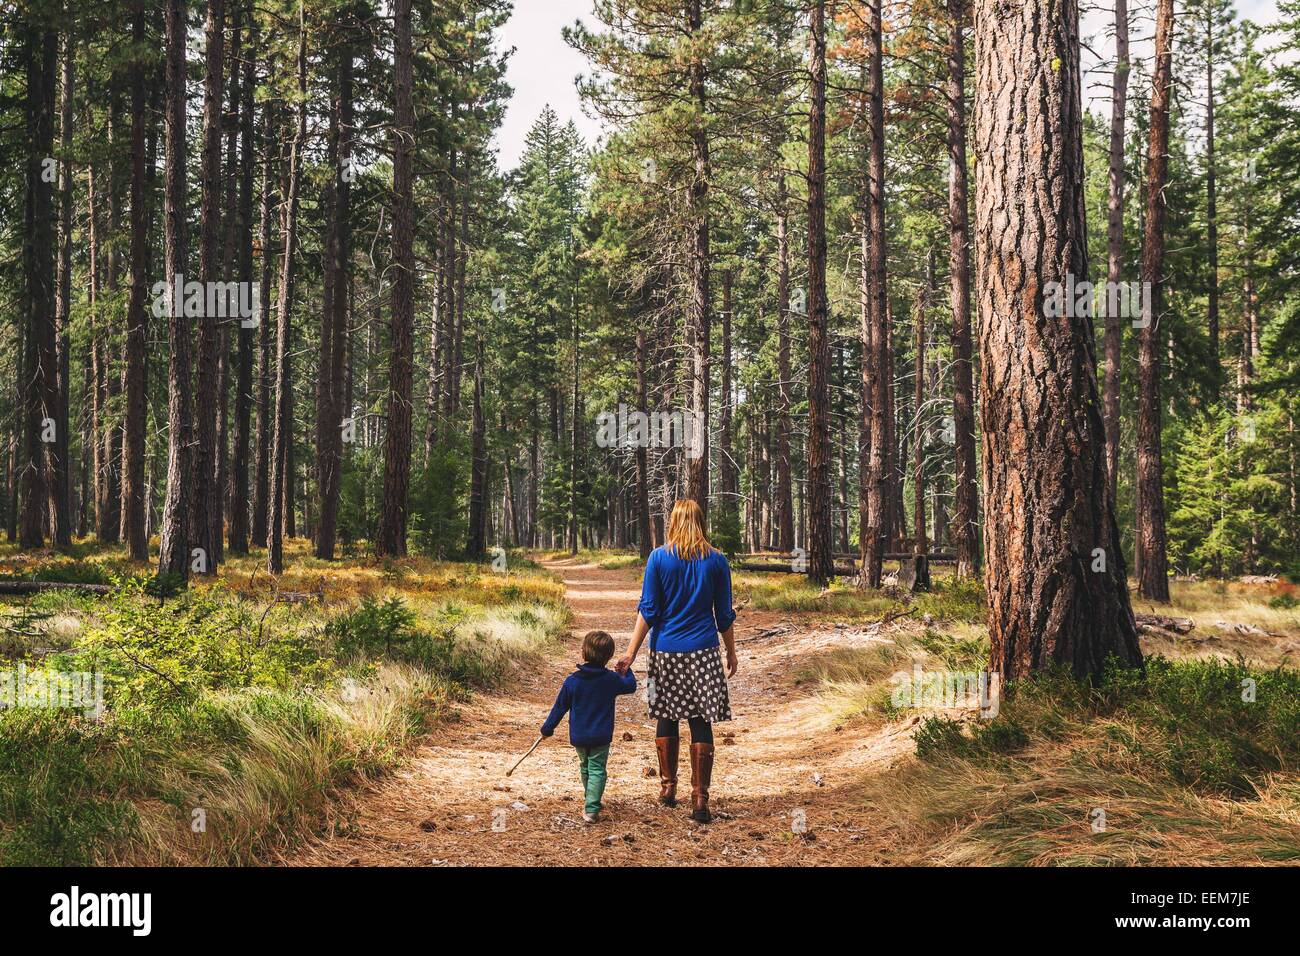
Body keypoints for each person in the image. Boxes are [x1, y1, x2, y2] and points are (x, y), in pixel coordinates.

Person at [615, 499, 738, 823]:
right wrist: (731, 651)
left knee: (665, 716)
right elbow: (723, 615)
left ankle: (668, 788)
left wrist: (631, 650)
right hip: (704, 652)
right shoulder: (716, 561)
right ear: (700, 522)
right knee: (700, 720)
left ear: (673, 522)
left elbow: (649, 610)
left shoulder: (658, 558)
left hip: (665, 651)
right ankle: (700, 799)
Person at [540, 630, 638, 823]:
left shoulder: (573, 681)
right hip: (601, 736)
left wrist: (547, 728)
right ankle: (592, 807)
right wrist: (626, 670)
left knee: (585, 767)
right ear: (609, 656)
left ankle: (591, 799)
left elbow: (559, 708)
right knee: (597, 769)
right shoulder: (611, 679)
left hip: (579, 735)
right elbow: (631, 686)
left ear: (583, 652)